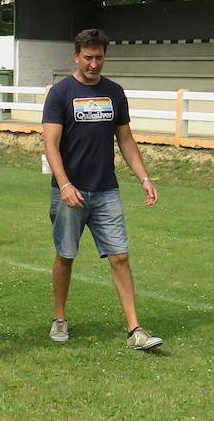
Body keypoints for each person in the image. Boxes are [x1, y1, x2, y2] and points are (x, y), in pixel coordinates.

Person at [42, 28, 163, 350]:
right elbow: (50, 144)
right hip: (70, 192)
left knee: (120, 256)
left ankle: (135, 330)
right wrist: (64, 184)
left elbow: (126, 140)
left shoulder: (115, 93)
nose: (94, 64)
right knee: (66, 255)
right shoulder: (60, 93)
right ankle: (59, 318)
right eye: (88, 57)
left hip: (106, 190)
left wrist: (144, 178)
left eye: (99, 57)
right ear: (76, 56)